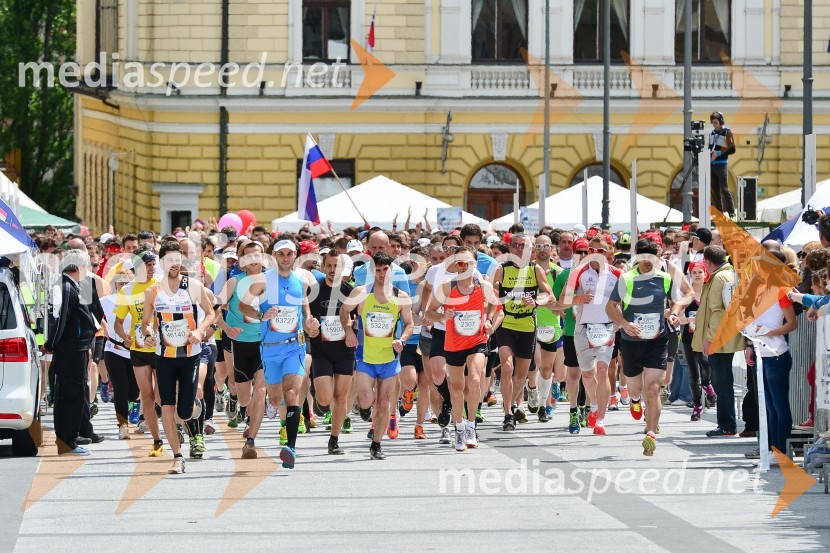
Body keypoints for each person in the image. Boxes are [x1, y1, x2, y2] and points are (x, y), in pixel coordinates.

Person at [607, 239, 692, 455]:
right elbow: (610, 307)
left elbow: (680, 299)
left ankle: (651, 434)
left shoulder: (665, 278)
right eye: (643, 258)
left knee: (654, 387)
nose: (646, 262)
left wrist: (674, 313)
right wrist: (625, 324)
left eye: (651, 258)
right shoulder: (626, 279)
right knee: (636, 388)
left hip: (658, 340)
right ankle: (635, 400)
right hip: (632, 341)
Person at [239, 239, 317, 469]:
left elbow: (305, 311)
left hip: (295, 346)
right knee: (274, 398)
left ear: (295, 256)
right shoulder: (263, 280)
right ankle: (280, 416)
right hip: (270, 350)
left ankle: (290, 447)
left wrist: (310, 323)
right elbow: (243, 306)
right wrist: (261, 315)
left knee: (292, 393)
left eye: (289, 254)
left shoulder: (300, 282)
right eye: (281, 253)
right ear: (274, 255)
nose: (285, 257)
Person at [141, 241, 215, 474]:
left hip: (190, 355)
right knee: (167, 408)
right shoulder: (152, 291)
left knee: (184, 411)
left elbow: (211, 313)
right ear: (162, 263)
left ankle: (195, 414)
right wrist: (149, 335)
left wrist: (199, 331)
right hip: (164, 356)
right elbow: (145, 324)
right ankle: (177, 456)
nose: (175, 264)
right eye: (170, 260)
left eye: (178, 260)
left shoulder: (193, 285)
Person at [341, 252, 414, 460]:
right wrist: (349, 332)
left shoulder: (401, 297)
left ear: (391, 271)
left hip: (389, 358)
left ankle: (376, 444)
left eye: (385, 270)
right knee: (367, 400)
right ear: (373, 272)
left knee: (383, 403)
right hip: (365, 356)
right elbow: (344, 312)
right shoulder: (361, 292)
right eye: (378, 270)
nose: (382, 274)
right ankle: (362, 407)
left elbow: (409, 324)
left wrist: (402, 340)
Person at [427, 247, 499, 451]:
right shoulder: (447, 288)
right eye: (460, 263)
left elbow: (495, 304)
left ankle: (471, 426)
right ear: (455, 266)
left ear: (475, 265)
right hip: (454, 343)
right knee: (457, 387)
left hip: (477, 340)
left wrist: (489, 320)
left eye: (468, 263)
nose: (464, 267)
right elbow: (429, 312)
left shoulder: (482, 286)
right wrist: (441, 317)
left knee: (475, 379)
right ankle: (458, 427)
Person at [559, 235, 621, 436]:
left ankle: (601, 421)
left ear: (609, 252)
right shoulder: (578, 273)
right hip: (583, 329)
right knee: (587, 373)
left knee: (602, 370)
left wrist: (622, 322)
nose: (597, 255)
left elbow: (627, 302)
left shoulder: (618, 274)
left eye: (602, 251)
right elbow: (563, 301)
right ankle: (593, 405)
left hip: (606, 328)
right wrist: (579, 298)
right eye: (593, 250)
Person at [492, 233, 553, 431]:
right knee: (507, 368)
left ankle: (510, 404)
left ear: (530, 250)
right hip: (506, 324)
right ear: (510, 249)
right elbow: (490, 293)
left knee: (521, 375)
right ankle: (508, 414)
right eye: (516, 245)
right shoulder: (502, 270)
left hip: (527, 326)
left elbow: (548, 295)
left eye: (524, 246)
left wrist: (536, 301)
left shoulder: (535, 270)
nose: (520, 249)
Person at [740, 251, 797, 460]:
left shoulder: (782, 289)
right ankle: (773, 448)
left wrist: (769, 332)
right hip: (761, 352)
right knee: (769, 405)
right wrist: (749, 343)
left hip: (776, 353)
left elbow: (792, 322)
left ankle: (780, 450)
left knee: (778, 404)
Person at [45, 249, 99, 456]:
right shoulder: (66, 287)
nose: (87, 271)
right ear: (77, 267)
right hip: (70, 349)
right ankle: (67, 440)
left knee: (72, 394)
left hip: (75, 348)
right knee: (71, 394)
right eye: (86, 266)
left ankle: (68, 438)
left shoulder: (70, 286)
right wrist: (53, 344)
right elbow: (60, 320)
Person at [215, 241, 266, 459]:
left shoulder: (272, 281)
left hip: (265, 343)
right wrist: (226, 328)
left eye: (258, 254)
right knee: (244, 396)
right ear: (242, 262)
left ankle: (251, 437)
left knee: (261, 390)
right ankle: (248, 408)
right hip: (241, 344)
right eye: (248, 256)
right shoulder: (234, 282)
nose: (254, 258)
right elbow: (214, 311)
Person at [114, 249, 164, 456]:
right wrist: (125, 338)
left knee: (163, 397)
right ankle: (157, 441)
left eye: (153, 264)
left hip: (162, 347)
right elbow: (117, 323)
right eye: (147, 265)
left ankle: (176, 427)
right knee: (147, 397)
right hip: (139, 349)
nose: (152, 269)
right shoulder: (126, 291)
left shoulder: (161, 286)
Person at [308, 250, 357, 455]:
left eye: (336, 266)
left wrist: (352, 326)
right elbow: (306, 316)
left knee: (341, 398)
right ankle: (317, 393)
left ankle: (334, 440)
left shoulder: (350, 291)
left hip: (345, 350)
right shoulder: (313, 290)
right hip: (322, 351)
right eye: (329, 266)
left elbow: (358, 317)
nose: (332, 270)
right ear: (322, 267)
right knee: (325, 399)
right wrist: (310, 324)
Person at [692, 245, 743, 438]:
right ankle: (728, 424)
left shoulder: (720, 277)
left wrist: (710, 339)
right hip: (726, 336)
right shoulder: (727, 274)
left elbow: (717, 312)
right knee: (724, 382)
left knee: (722, 383)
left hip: (720, 338)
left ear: (708, 262)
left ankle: (727, 424)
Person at [678, 262, 717, 421]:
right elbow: (679, 319)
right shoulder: (687, 296)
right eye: (694, 272)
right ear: (690, 275)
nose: (697, 275)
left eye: (700, 271)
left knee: (705, 363)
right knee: (693, 374)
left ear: (705, 274)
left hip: (706, 337)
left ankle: (708, 387)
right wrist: (691, 319)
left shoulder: (709, 292)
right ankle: (696, 407)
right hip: (689, 338)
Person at [708, 111, 736, 217]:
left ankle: (731, 211)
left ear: (721, 121)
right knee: (714, 190)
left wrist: (718, 153)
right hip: (712, 164)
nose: (714, 125)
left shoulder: (727, 132)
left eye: (715, 122)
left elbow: (732, 149)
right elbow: (711, 146)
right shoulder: (712, 133)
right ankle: (719, 213)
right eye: (713, 123)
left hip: (722, 164)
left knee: (724, 188)